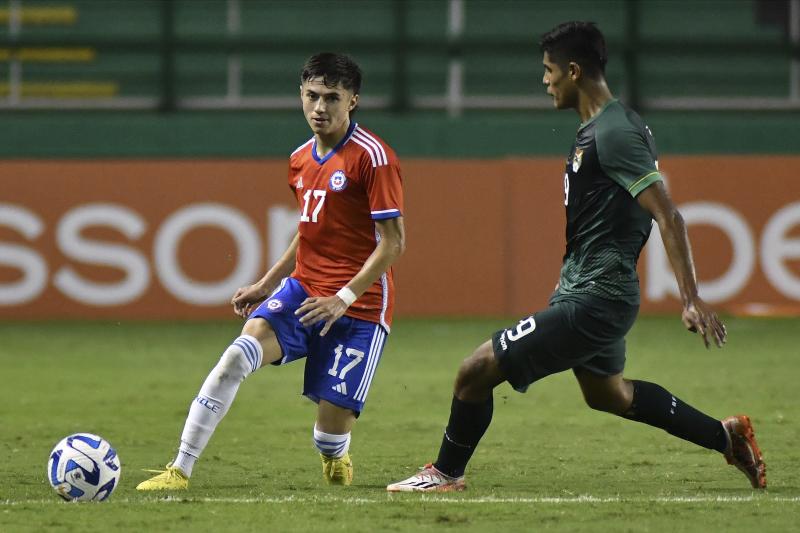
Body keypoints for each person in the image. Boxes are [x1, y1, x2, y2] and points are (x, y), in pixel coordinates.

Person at [387, 21, 765, 493]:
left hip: (597, 297)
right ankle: (726, 437)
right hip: (588, 288)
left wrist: (691, 298)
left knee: (473, 372)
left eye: (548, 72)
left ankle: (445, 473)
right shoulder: (602, 127)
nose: (544, 82)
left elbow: (669, 215)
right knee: (610, 394)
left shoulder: (615, 132)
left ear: (572, 70)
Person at [137, 52, 405, 490]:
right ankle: (179, 470)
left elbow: (393, 243)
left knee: (327, 436)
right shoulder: (300, 158)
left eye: (332, 98)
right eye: (313, 96)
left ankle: (336, 455)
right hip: (304, 290)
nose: (320, 108)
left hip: (360, 306)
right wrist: (268, 283)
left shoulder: (373, 158)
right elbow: (309, 229)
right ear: (300, 94)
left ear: (353, 100)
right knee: (233, 360)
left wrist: (344, 298)